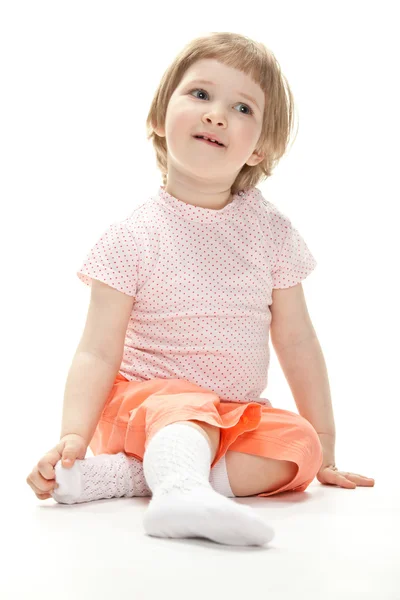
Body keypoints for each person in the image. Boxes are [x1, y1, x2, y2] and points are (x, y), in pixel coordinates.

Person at [26, 32, 374, 547]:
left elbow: (299, 342)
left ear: (260, 148)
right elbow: (97, 351)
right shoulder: (133, 236)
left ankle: (132, 479)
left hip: (230, 414)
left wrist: (325, 441)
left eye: (241, 107)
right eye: (201, 95)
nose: (216, 115)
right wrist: (74, 434)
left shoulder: (271, 232)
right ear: (158, 118)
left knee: (297, 446)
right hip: (142, 407)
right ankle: (177, 490)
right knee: (185, 406)